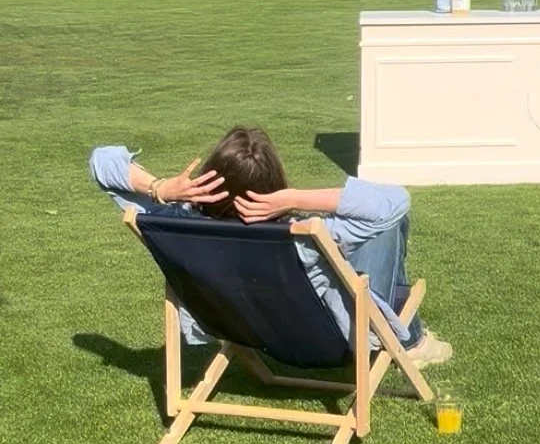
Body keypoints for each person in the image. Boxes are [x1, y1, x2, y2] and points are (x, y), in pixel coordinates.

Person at [89, 127, 452, 366]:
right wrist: (293, 198)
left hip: (244, 330)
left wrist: (160, 189)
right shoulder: (302, 236)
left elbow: (101, 161)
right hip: (328, 345)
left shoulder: (179, 221)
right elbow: (395, 201)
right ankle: (411, 341)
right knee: (387, 227)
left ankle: (412, 340)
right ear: (272, 184)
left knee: (383, 223)